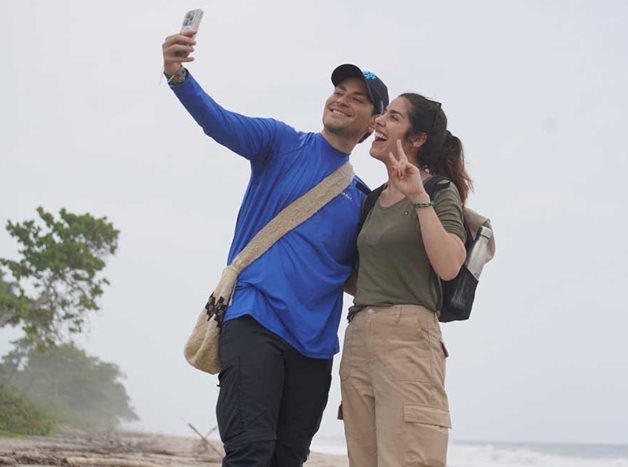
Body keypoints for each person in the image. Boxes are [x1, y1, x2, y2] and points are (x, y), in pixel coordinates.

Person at [161, 29, 389, 466]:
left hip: (315, 348)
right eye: (338, 90)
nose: (341, 99)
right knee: (250, 452)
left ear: (372, 123)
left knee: (287, 459)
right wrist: (177, 75)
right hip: (254, 320)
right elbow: (217, 121)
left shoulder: (363, 198)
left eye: (358, 98)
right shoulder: (280, 144)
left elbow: (371, 272)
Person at [340, 92, 471, 467]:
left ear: (418, 139)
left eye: (393, 117)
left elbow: (449, 265)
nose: (379, 121)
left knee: (410, 459)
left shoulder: (437, 191)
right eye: (382, 115)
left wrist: (418, 197)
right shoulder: (371, 199)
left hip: (408, 339)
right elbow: (364, 278)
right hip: (360, 335)